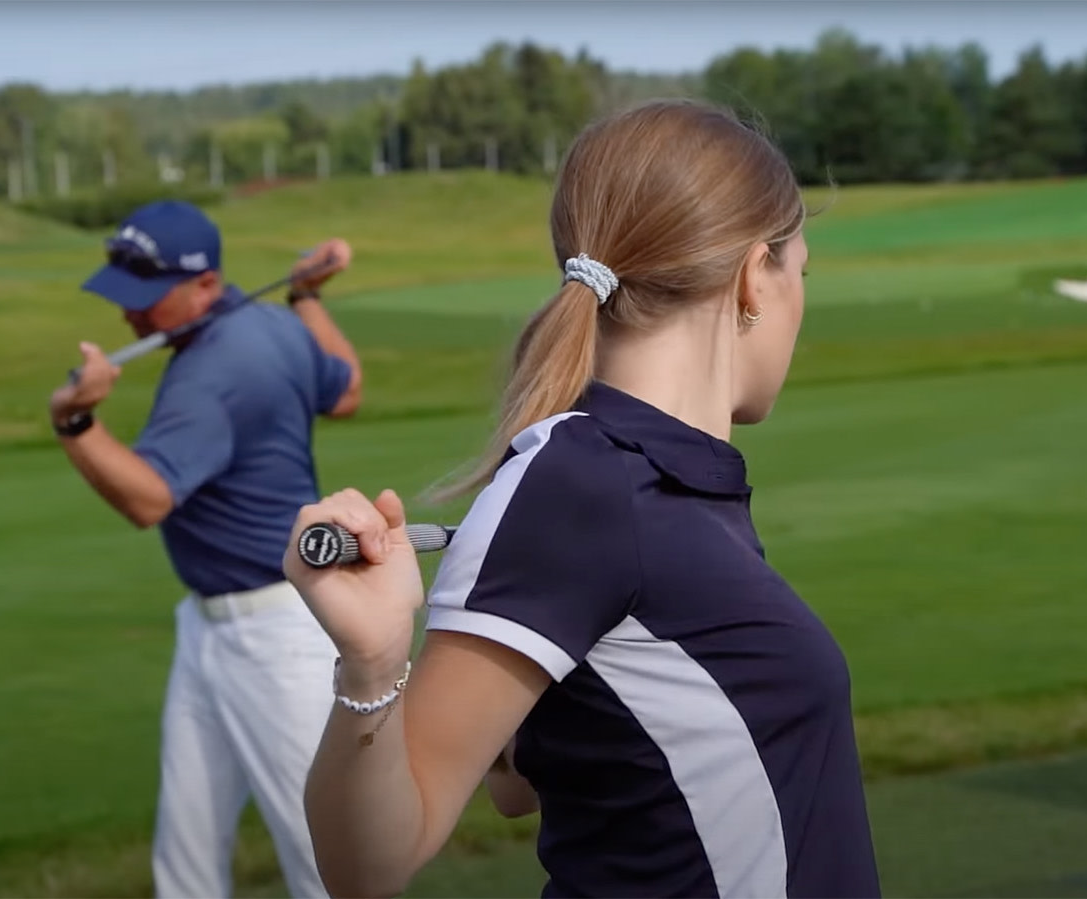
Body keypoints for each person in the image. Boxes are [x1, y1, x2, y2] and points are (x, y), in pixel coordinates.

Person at [281, 99, 882, 898]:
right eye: (798, 271)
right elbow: (372, 864)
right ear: (751, 277)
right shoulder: (585, 483)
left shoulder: (668, 478)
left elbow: (524, 780)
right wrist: (373, 664)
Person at [47, 199, 363, 899]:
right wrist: (307, 298)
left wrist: (74, 421)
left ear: (206, 287)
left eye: (145, 299)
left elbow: (147, 498)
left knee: (327, 865)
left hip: (275, 642)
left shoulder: (208, 378)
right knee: (186, 849)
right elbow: (347, 389)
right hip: (213, 631)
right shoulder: (273, 323)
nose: (129, 316)